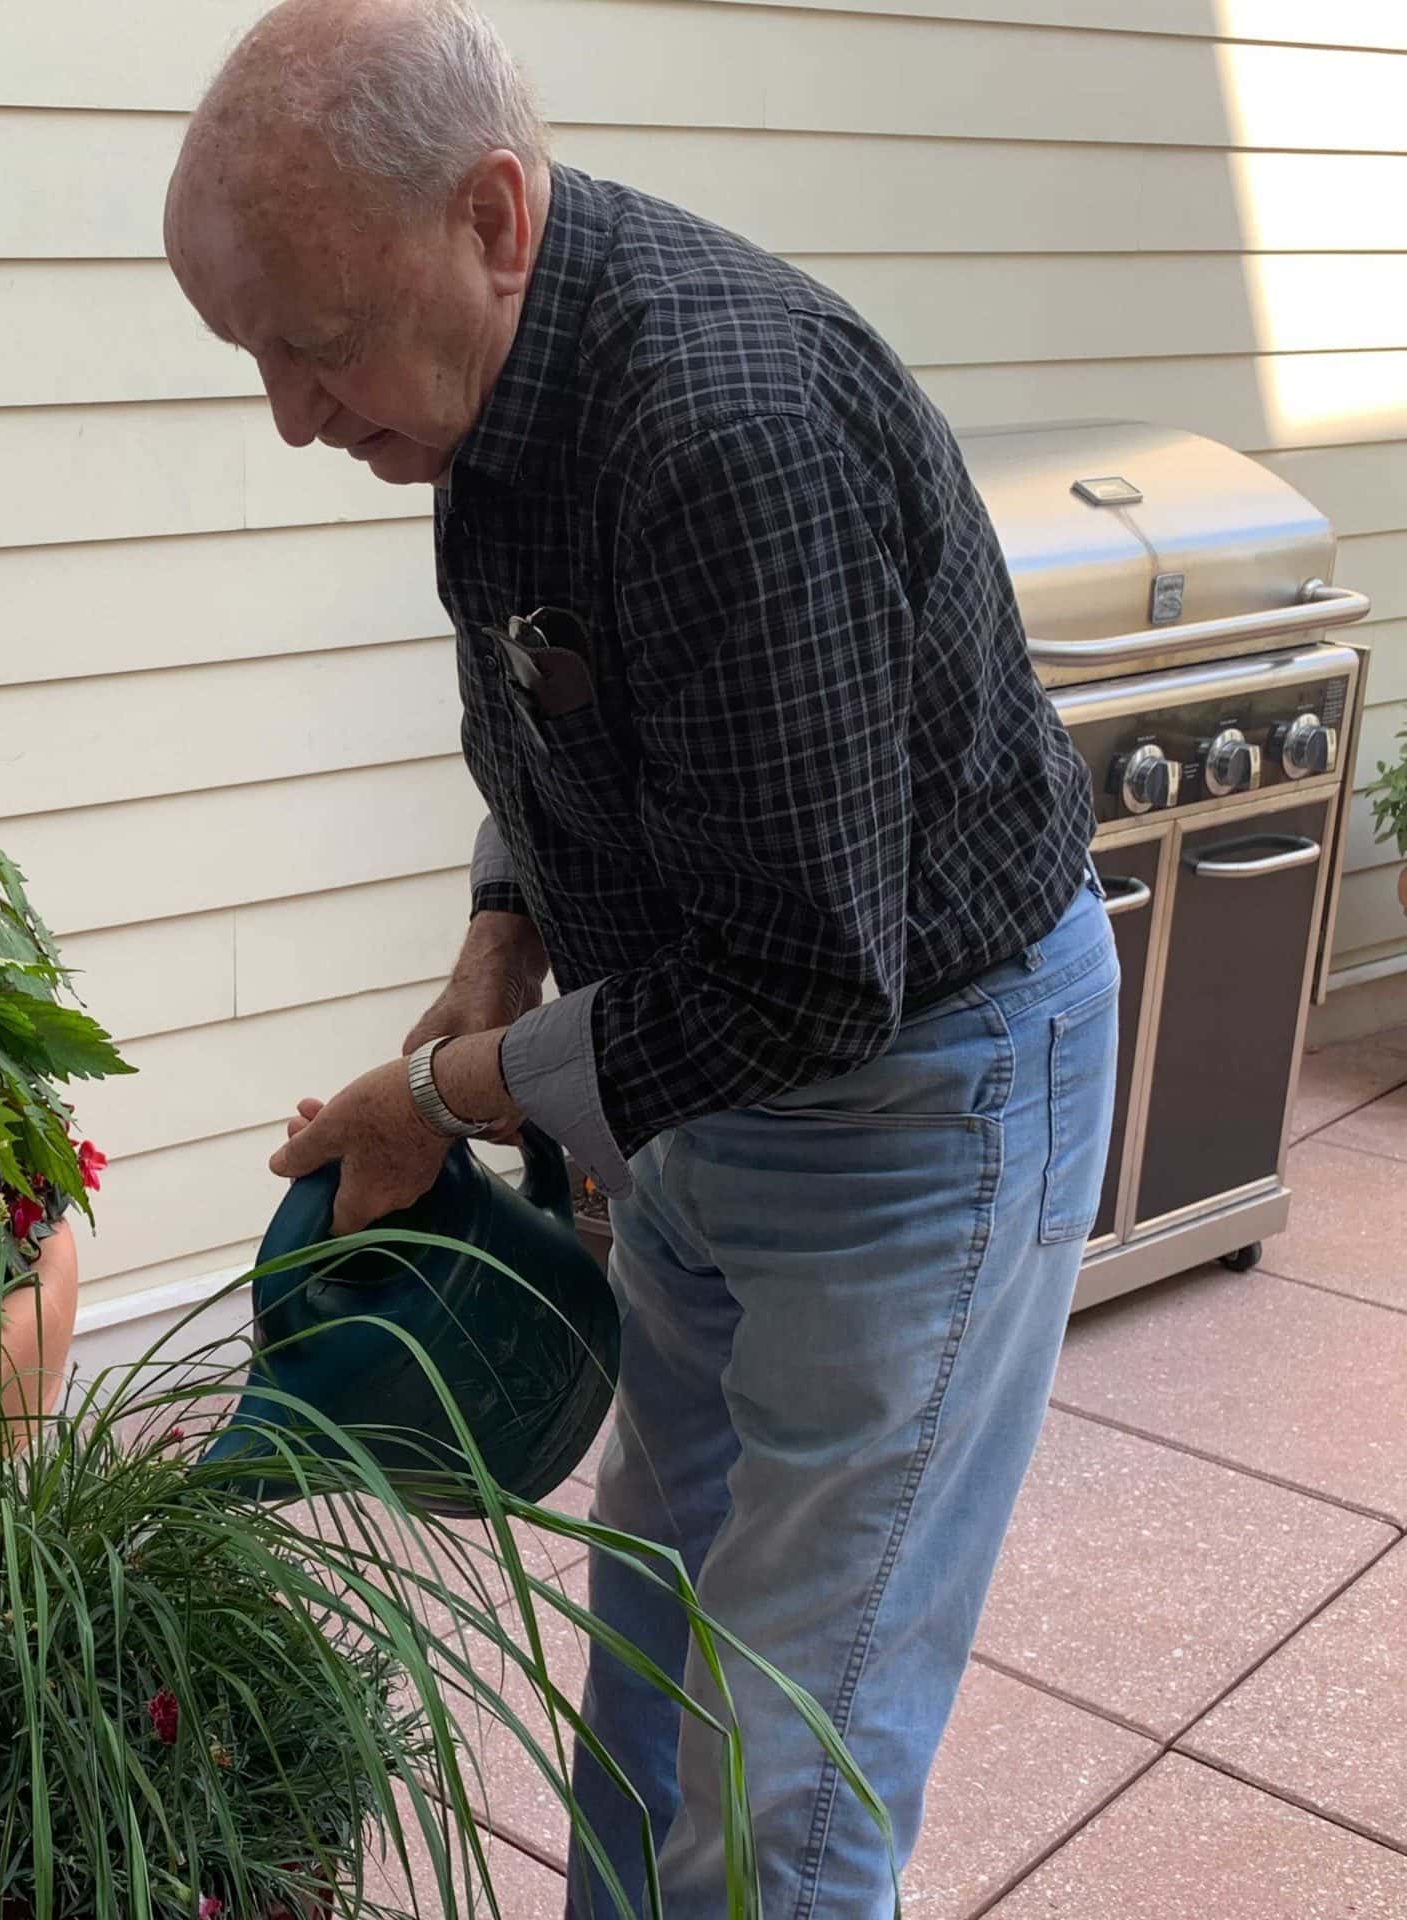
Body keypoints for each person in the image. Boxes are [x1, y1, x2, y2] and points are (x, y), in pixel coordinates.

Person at [163, 2, 1122, 1915]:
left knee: (792, 1760)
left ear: (491, 215)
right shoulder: (492, 393)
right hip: (687, 1093)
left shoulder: (728, 431)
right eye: (250, 352)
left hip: (913, 1099)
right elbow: (564, 707)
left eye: (314, 344)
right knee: (655, 1681)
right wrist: (500, 944)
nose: (287, 411)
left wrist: (442, 1095)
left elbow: (811, 979)